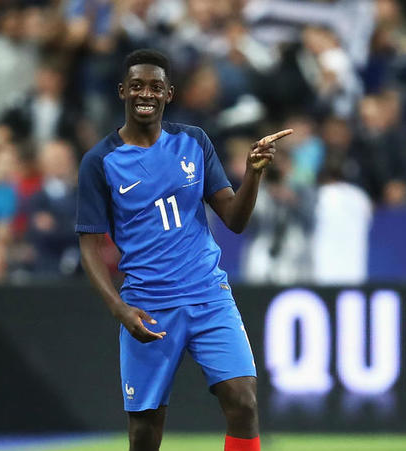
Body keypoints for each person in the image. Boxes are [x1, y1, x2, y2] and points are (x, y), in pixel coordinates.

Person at [75, 49, 291, 451]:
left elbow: (235, 220)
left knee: (243, 400)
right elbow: (89, 246)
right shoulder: (100, 161)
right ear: (122, 91)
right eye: (137, 85)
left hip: (209, 294)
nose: (146, 94)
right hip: (149, 305)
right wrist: (119, 309)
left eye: (155, 87)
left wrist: (253, 174)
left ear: (169, 93)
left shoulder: (194, 142)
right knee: (144, 432)